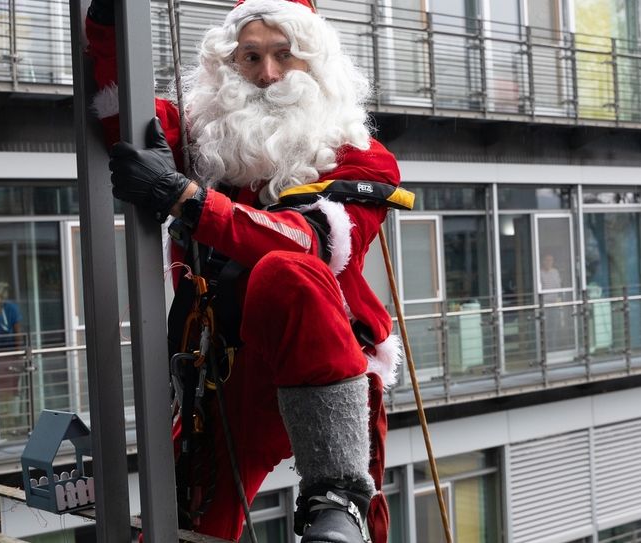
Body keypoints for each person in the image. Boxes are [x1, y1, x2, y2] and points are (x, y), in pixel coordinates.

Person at [86, 0, 405, 541]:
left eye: (285, 55)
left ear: (316, 63)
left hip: (324, 364)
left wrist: (187, 200)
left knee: (287, 273)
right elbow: (123, 113)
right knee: (188, 531)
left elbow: (310, 244)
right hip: (221, 372)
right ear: (228, 70)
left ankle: (335, 493)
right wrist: (108, 22)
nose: (268, 75)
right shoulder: (208, 142)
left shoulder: (362, 157)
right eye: (250, 57)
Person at [0, 281, 24, 433]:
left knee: (12, 390)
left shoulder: (11, 309)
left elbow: (18, 332)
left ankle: (12, 422)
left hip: (10, 353)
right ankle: (1, 424)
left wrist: (18, 355)